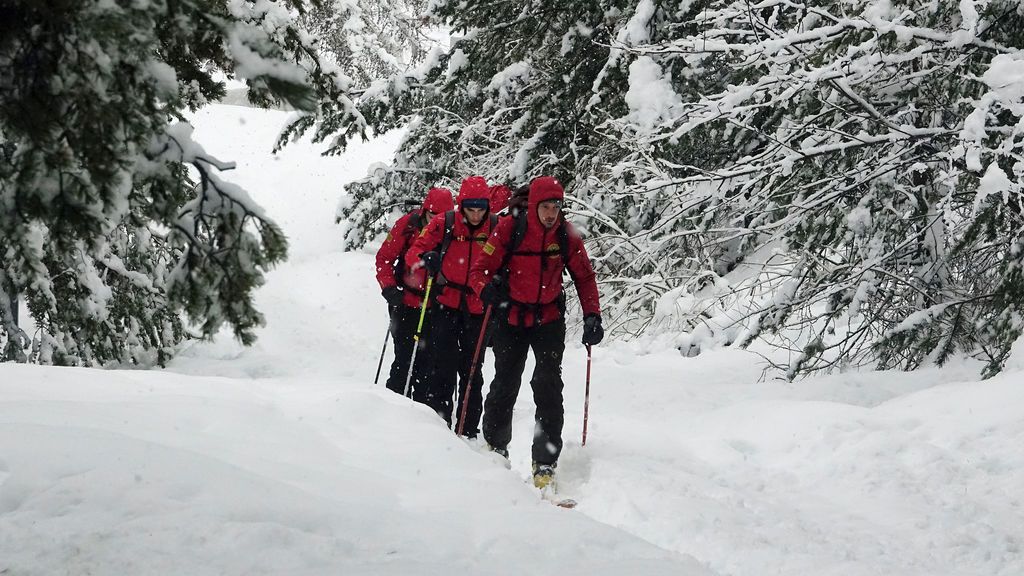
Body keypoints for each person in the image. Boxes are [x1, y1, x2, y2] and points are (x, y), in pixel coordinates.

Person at [468, 176, 604, 489]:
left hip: (549, 319)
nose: (551, 213)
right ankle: (496, 447)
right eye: (545, 206)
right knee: (505, 382)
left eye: (556, 206)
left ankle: (545, 462)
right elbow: (480, 270)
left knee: (547, 385)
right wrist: (485, 290)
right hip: (511, 318)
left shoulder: (566, 236)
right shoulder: (507, 229)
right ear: (533, 206)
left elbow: (584, 277)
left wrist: (592, 315)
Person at [406, 176, 498, 438]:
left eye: (481, 209)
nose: (476, 214)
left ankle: (468, 430)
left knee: (472, 370)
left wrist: (499, 281)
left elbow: (507, 258)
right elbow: (416, 250)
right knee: (441, 365)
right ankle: (439, 427)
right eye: (471, 209)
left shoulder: (495, 227)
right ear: (462, 206)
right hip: (446, 303)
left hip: (479, 307)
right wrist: (427, 258)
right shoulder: (443, 223)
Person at [375, 187, 455, 401]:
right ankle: (394, 404)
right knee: (403, 357)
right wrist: (389, 287)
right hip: (403, 301)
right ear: (424, 211)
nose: (434, 223)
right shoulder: (407, 225)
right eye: (431, 216)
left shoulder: (451, 230)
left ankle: (422, 414)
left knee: (428, 362)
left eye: (440, 217)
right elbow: (384, 257)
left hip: (435, 305)